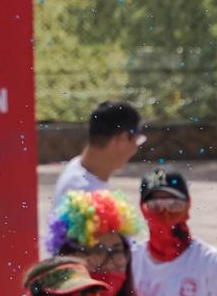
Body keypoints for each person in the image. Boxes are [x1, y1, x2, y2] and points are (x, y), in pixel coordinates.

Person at [51, 99, 147, 248]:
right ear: (122, 139)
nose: (135, 149)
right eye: (136, 140)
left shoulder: (77, 168)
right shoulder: (85, 195)